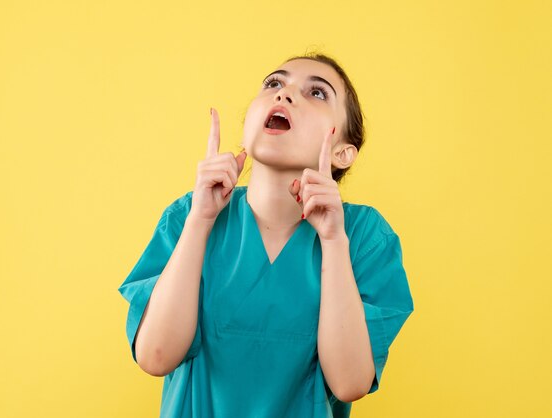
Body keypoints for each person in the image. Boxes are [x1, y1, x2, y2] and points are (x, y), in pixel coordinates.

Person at [118, 52, 415, 418]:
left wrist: (334, 242)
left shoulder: (364, 237)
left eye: (317, 93)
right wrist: (201, 219)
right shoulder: (187, 218)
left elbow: (350, 382)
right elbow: (155, 356)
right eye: (275, 83)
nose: (284, 94)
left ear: (343, 153)